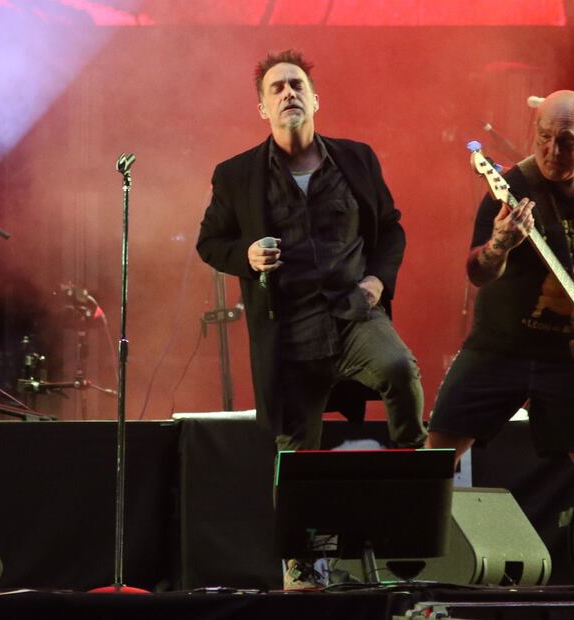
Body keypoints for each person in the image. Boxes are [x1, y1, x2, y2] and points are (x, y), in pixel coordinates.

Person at [196, 49, 427, 588]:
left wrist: (377, 281)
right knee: (296, 453)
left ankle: (412, 494)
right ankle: (301, 565)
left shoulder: (356, 160)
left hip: (353, 315)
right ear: (262, 109)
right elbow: (211, 242)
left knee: (398, 369)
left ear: (315, 99)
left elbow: (390, 229)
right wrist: (247, 257)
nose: (288, 94)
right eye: (276, 89)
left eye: (296, 84)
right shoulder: (236, 176)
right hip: (289, 331)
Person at [426, 90, 574, 588]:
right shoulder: (506, 187)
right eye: (544, 138)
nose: (552, 151)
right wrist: (501, 243)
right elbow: (478, 273)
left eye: (566, 141)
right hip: (500, 344)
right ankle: (405, 554)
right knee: (438, 448)